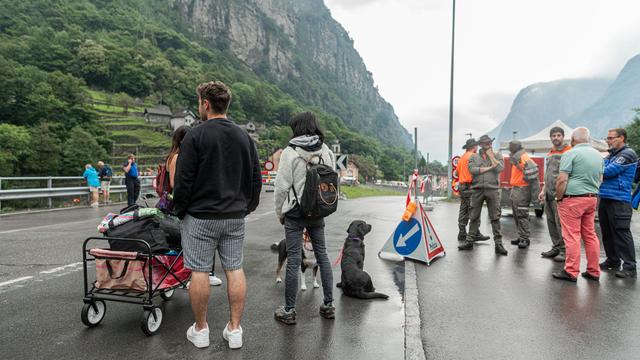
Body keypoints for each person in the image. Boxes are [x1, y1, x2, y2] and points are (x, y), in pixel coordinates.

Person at [173, 81, 261, 349]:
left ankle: (201, 330)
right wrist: (246, 207)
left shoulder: (195, 136)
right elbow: (255, 180)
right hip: (234, 216)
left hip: (200, 216)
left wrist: (181, 210)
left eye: (199, 102)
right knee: (234, 268)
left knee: (199, 270)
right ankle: (234, 330)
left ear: (206, 104)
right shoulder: (245, 137)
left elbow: (183, 181)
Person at [273, 111, 336, 324]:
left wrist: (279, 212)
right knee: (323, 255)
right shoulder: (326, 151)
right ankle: (328, 305)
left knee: (293, 259)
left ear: (297, 128)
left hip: (295, 213)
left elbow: (281, 187)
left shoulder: (290, 152)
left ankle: (289, 310)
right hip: (318, 211)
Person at [167, 126, 223, 287]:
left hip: (187, 202)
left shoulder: (181, 155)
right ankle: (193, 275)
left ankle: (199, 274)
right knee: (191, 241)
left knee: (193, 240)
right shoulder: (177, 157)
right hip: (182, 203)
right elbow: (174, 183)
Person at [552, 127, 603, 282]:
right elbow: (600, 178)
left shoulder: (570, 153)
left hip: (572, 199)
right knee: (590, 234)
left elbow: (562, 179)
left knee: (571, 235)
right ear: (588, 139)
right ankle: (594, 271)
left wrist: (558, 198)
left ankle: (571, 271)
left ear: (573, 140)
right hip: (591, 198)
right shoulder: (598, 155)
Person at [598, 128, 638, 278]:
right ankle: (613, 260)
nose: (608, 140)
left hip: (619, 199)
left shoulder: (627, 154)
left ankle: (630, 267)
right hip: (606, 197)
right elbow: (601, 167)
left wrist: (599, 168)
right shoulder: (611, 154)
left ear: (621, 138)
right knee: (607, 232)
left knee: (621, 233)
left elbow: (608, 171)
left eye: (611, 138)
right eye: (607, 138)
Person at [458, 135, 508, 255]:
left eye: (490, 143)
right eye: (486, 143)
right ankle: (469, 241)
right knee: (474, 216)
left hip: (493, 190)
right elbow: (472, 170)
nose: (489, 145)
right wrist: (490, 167)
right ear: (480, 145)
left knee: (495, 217)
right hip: (477, 190)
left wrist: (491, 157)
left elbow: (500, 168)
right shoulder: (473, 156)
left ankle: (498, 244)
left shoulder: (497, 155)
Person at [538, 127, 571, 260]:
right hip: (548, 193)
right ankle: (556, 247)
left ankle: (564, 250)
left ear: (563, 137)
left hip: (560, 193)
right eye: (553, 136)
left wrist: (561, 193)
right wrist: (543, 190)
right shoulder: (550, 152)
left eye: (558, 135)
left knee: (561, 223)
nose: (556, 138)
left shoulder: (569, 151)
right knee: (551, 221)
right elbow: (548, 175)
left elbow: (567, 175)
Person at [507, 140, 539, 249]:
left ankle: (525, 238)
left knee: (522, 214)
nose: (509, 148)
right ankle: (521, 236)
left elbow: (533, 173)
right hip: (516, 189)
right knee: (517, 215)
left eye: (511, 146)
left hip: (522, 190)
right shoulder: (518, 156)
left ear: (516, 147)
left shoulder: (523, 157)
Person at [457, 138, 490, 242]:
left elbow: (457, 173)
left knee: (463, 210)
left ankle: (462, 233)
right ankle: (475, 233)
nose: (477, 147)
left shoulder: (462, 158)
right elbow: (477, 171)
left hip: (462, 186)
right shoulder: (473, 156)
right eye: (476, 146)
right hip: (471, 186)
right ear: (474, 147)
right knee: (474, 210)